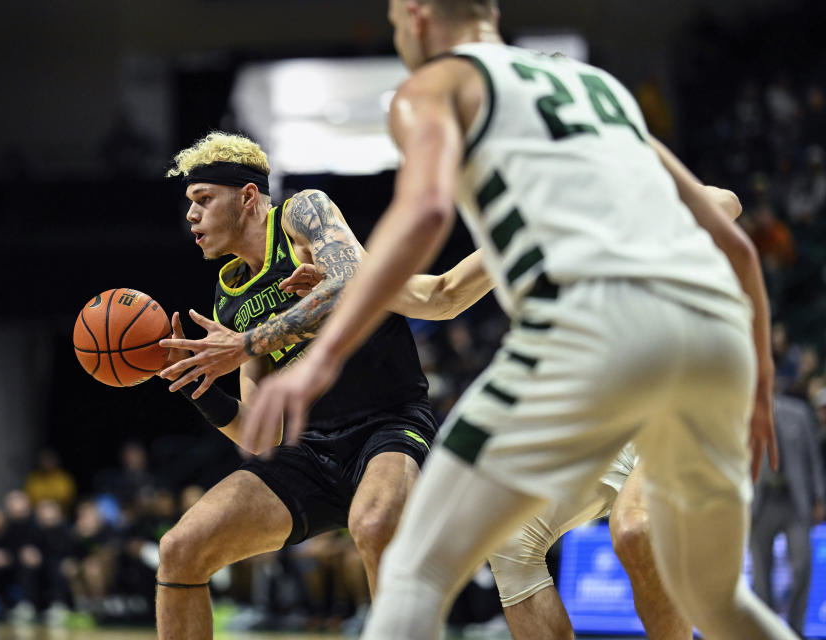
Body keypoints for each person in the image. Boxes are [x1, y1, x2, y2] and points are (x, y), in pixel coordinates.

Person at [241, 1, 795, 639]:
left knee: (422, 565)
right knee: (699, 594)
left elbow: (422, 217)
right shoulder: (594, 91)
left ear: (417, 17)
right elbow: (442, 292)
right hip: (703, 349)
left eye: (394, 21)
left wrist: (319, 354)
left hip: (608, 341)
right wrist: (757, 377)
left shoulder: (442, 87)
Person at [152, 131, 438, 640]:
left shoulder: (302, 213)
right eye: (188, 204)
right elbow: (260, 437)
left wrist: (248, 344)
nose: (191, 216)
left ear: (245, 197)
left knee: (374, 527)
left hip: (389, 423)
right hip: (312, 450)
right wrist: (201, 387)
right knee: (179, 550)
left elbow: (354, 284)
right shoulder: (228, 298)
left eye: (203, 200)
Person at [751, 392, 826, 636]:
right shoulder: (742, 415)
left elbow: (812, 457)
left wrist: (819, 497)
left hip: (794, 501)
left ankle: (795, 629)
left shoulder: (798, 412)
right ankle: (766, 629)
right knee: (761, 573)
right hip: (761, 503)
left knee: (802, 564)